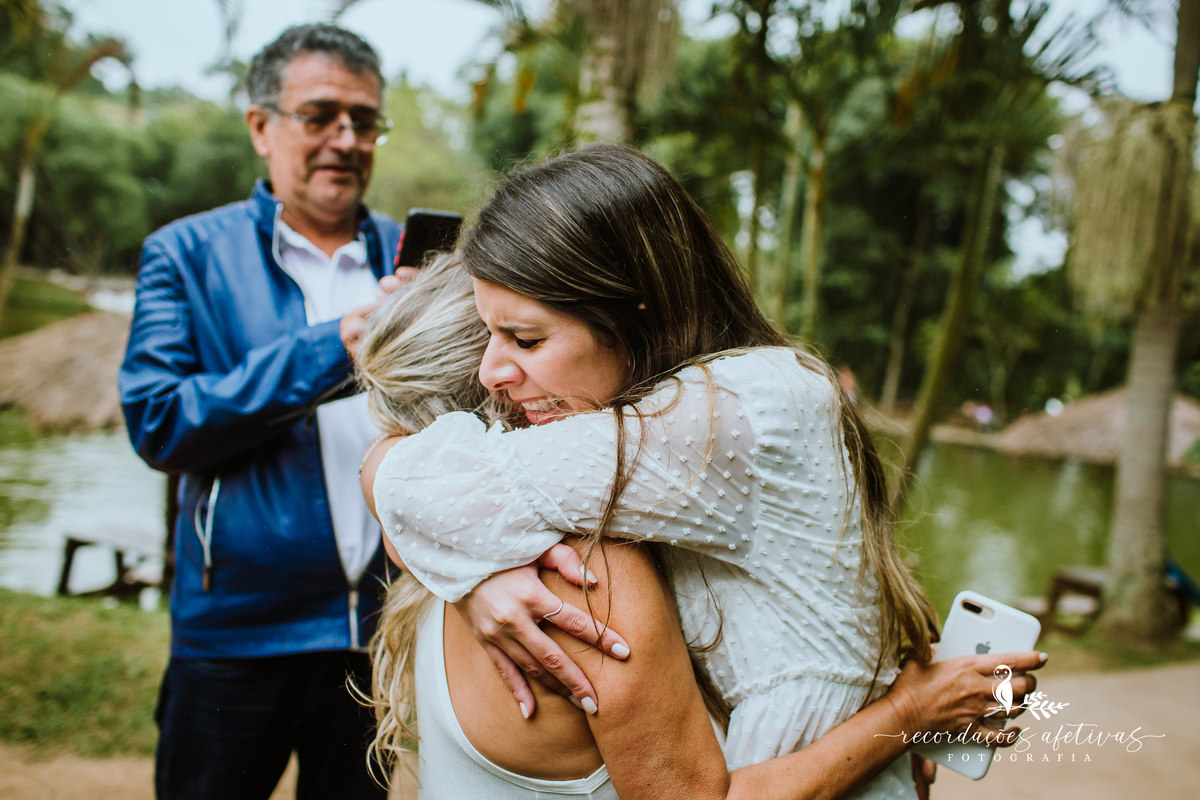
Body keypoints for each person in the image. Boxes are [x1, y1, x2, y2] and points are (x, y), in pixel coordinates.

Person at [359, 144, 1046, 798]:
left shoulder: (726, 414)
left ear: (632, 309)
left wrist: (910, 713)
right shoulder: (666, 450)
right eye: (489, 336)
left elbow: (418, 486)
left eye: (526, 338)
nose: (493, 371)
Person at [118, 23, 400, 800]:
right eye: (320, 115)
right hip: (234, 635)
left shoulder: (411, 260)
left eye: (364, 119)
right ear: (260, 126)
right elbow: (158, 420)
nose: (346, 138)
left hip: (379, 634)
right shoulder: (184, 254)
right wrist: (332, 346)